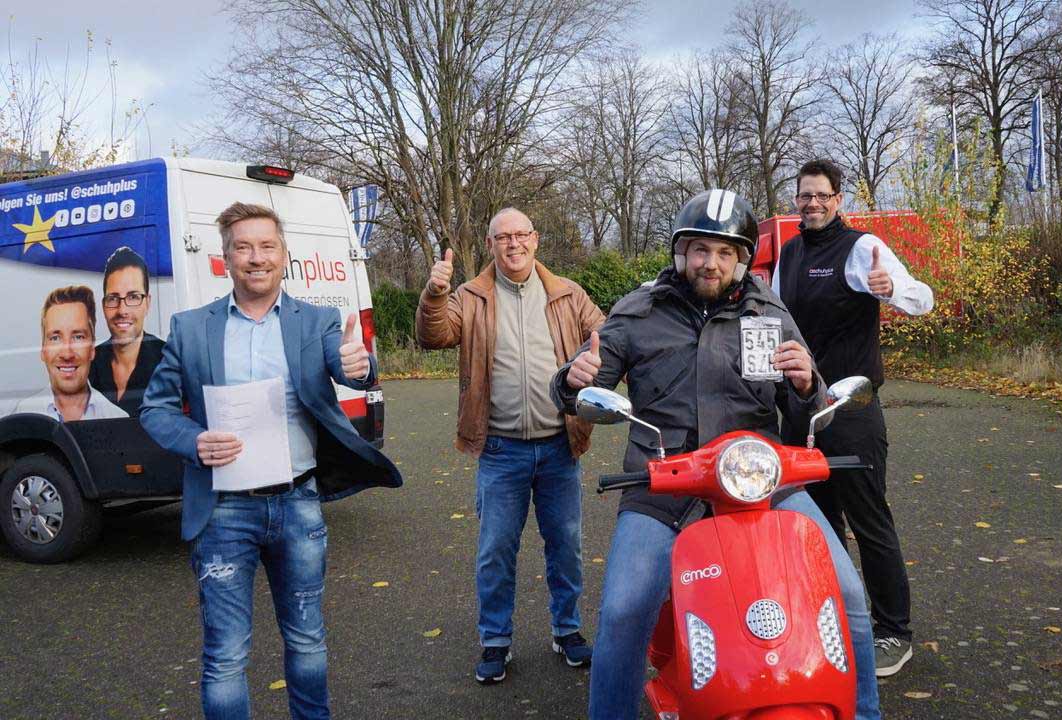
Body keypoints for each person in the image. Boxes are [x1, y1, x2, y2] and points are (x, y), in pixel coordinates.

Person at [552, 189, 882, 720]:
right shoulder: (638, 312)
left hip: (761, 483)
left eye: (725, 252)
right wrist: (572, 381)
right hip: (664, 486)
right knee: (623, 611)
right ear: (682, 252)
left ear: (742, 259)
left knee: (847, 594)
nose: (711, 262)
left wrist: (805, 389)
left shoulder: (770, 312)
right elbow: (581, 388)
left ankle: (864, 713)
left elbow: (806, 409)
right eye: (701, 249)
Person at [140, 202, 402, 720]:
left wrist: (361, 364)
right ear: (225, 258)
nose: (255, 257)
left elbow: (349, 365)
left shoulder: (318, 321)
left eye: (266, 246)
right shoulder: (191, 328)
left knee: (307, 641)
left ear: (286, 256)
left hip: (298, 504)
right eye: (243, 247)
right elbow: (155, 408)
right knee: (225, 656)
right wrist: (193, 441)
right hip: (222, 512)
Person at [416, 207, 605, 684]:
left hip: (560, 446)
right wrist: (434, 294)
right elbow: (433, 335)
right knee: (495, 551)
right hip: (501, 451)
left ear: (536, 240)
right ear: (491, 244)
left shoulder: (567, 294)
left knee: (566, 546)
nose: (513, 244)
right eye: (503, 237)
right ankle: (495, 640)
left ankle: (567, 631)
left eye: (521, 235)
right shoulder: (470, 295)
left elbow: (607, 336)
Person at [772, 159, 934, 677]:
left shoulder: (863, 247)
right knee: (816, 524)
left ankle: (894, 633)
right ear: (795, 200)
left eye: (822, 195)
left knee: (869, 521)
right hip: (802, 411)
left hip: (853, 409)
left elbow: (922, 299)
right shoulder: (790, 252)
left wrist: (892, 291)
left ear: (838, 199)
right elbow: (775, 318)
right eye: (804, 196)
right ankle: (835, 618)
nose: (812, 203)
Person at [13, 285, 129, 421]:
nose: (67, 354)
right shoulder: (22, 417)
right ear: (43, 351)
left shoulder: (116, 419)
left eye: (78, 337)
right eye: (55, 338)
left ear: (92, 349)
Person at [88, 246, 165, 417]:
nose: (122, 310)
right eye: (113, 298)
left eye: (133, 297)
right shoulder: (87, 365)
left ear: (147, 303)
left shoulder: (169, 362)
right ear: (103, 305)